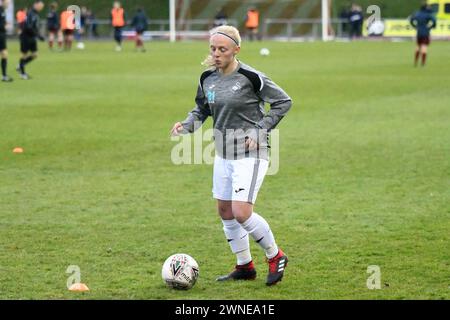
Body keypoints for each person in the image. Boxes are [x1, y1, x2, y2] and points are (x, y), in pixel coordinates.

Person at [170, 25, 292, 286]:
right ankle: (244, 265)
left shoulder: (251, 76)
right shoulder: (207, 78)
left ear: (236, 49)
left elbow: (283, 101)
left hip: (252, 154)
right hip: (224, 154)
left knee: (241, 211)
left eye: (222, 49)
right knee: (225, 211)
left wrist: (260, 130)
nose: (216, 54)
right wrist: (186, 124)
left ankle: (275, 255)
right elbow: (201, 109)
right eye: (213, 49)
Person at [18, 0, 45, 80]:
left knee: (35, 54)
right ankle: (22, 74)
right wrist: (38, 35)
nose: (41, 8)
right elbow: (28, 26)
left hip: (32, 37)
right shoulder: (30, 13)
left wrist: (38, 35)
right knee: (24, 55)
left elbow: (35, 27)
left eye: (42, 6)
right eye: (40, 6)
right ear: (35, 5)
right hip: (26, 37)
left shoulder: (36, 14)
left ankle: (20, 65)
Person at [410, 3, 437, 67]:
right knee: (424, 47)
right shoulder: (427, 14)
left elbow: (411, 19)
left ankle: (415, 62)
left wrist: (415, 26)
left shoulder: (417, 13)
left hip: (418, 32)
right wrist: (431, 27)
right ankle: (423, 63)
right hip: (425, 32)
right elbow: (434, 20)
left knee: (418, 47)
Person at [0, 0, 13, 82]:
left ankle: (4, 76)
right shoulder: (1, 10)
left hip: (2, 35)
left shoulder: (3, 11)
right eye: (7, 3)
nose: (8, 4)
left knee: (4, 54)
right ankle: (4, 76)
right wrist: (5, 26)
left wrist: (5, 23)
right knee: (4, 54)